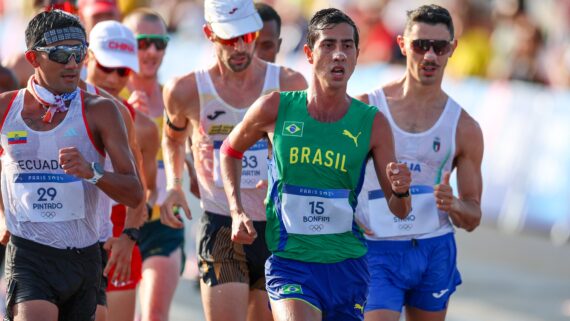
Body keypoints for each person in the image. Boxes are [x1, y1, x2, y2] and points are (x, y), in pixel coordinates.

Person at [220, 8, 412, 321]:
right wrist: (236, 209)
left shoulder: (372, 123)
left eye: (347, 46)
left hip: (347, 266)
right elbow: (229, 150)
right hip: (290, 261)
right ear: (309, 53)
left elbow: (400, 209)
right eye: (328, 45)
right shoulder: (276, 106)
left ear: (356, 54)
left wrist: (402, 191)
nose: (338, 54)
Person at [161, 0, 307, 320]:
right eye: (229, 39)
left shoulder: (289, 84)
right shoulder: (185, 90)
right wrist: (174, 184)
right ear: (208, 33)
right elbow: (172, 138)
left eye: (247, 36)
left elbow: (305, 153)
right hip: (221, 223)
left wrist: (285, 174)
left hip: (276, 227)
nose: (240, 47)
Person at [0, 9, 143, 321]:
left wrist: (92, 172)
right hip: (29, 255)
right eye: (61, 54)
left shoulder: (102, 110)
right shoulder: (5, 108)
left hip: (84, 259)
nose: (72, 63)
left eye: (79, 53)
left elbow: (135, 193)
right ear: (33, 58)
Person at [354, 5, 484, 321]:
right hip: (376, 249)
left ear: (452, 49)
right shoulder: (367, 109)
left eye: (439, 47)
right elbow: (333, 179)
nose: (429, 56)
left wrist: (453, 204)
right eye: (420, 45)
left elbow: (472, 216)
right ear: (402, 45)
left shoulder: (464, 127)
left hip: (432, 249)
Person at [84, 20, 160, 321]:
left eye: (123, 71)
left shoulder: (141, 126)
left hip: (117, 235)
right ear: (87, 57)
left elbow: (145, 192)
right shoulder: (58, 104)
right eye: (106, 66)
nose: (113, 78)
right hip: (65, 234)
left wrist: (129, 236)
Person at [123, 8, 185, 321]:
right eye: (142, 42)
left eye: (159, 44)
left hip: (163, 222)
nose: (151, 51)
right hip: (117, 223)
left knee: (154, 316)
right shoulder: (111, 98)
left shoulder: (174, 97)